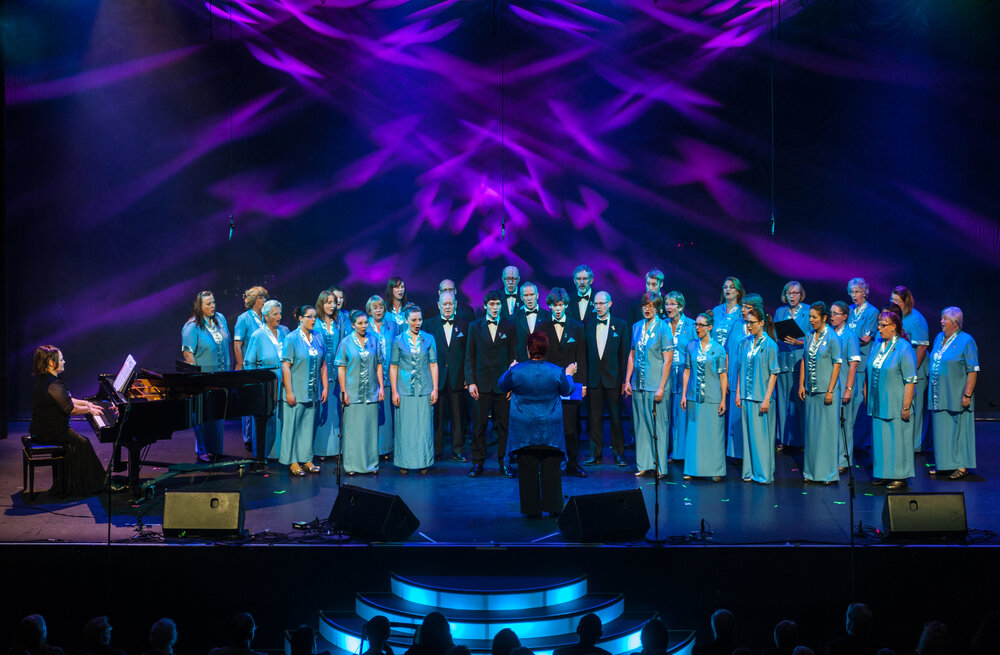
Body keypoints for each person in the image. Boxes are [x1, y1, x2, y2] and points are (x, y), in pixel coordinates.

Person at [499, 331, 575, 517]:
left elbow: (502, 385)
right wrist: (569, 374)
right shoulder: (556, 371)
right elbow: (568, 389)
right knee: (551, 469)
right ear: (546, 349)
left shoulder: (517, 371)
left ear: (528, 350)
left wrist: (509, 369)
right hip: (549, 429)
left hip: (524, 430)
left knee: (527, 470)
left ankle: (532, 509)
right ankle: (553, 506)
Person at [28, 346, 108, 497]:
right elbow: (70, 409)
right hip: (48, 432)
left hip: (45, 428)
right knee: (82, 443)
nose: (64, 362)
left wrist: (87, 404)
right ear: (52, 363)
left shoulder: (48, 380)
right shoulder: (53, 384)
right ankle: (91, 485)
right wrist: (90, 410)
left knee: (81, 442)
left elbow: (67, 400)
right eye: (61, 359)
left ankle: (79, 483)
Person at [864, 311, 917, 489]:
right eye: (878, 324)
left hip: (896, 404)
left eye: (882, 325)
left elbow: (910, 380)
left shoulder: (904, 347)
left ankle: (899, 476)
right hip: (879, 403)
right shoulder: (877, 344)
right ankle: (884, 474)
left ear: (893, 327)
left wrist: (906, 406)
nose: (878, 328)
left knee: (897, 441)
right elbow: (870, 370)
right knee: (881, 441)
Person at [466, 290, 516, 477]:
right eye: (492, 304)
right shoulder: (474, 326)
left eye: (498, 304)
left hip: (502, 385)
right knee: (479, 426)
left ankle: (505, 462)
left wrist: (511, 384)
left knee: (504, 425)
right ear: (485, 305)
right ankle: (478, 462)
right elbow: (469, 357)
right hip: (481, 384)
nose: (495, 308)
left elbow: (513, 358)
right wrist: (471, 382)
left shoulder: (509, 327)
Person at [539, 287, 587, 477]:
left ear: (566, 305)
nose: (558, 309)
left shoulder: (577, 327)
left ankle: (572, 463)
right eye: (554, 305)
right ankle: (551, 463)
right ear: (549, 306)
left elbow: (581, 357)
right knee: (550, 426)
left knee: (570, 428)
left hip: (571, 384)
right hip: (549, 386)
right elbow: (540, 357)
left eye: (561, 305)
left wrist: (582, 384)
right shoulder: (542, 327)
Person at [625, 292, 674, 479]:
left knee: (658, 426)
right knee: (641, 426)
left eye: (652, 305)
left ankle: (661, 466)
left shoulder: (664, 328)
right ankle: (645, 463)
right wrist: (627, 379)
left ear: (658, 308)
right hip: (639, 384)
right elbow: (632, 355)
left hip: (656, 385)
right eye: (645, 305)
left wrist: (661, 387)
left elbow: (667, 361)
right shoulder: (636, 327)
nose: (648, 308)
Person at [928, 307, 979, 479]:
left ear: (955, 324)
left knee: (959, 430)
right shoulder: (939, 338)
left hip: (956, 393)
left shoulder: (966, 341)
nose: (941, 322)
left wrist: (967, 394)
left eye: (945, 319)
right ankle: (945, 464)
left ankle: (961, 466)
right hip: (939, 393)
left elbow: (973, 370)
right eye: (941, 318)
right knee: (942, 430)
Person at [181, 290, 232, 462]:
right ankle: (201, 449)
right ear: (199, 306)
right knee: (202, 415)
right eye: (208, 304)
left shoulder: (220, 319)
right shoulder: (192, 326)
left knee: (217, 414)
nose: (212, 306)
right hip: (204, 379)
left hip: (221, 376)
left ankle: (215, 448)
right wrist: (198, 377)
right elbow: (188, 354)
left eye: (213, 302)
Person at [280, 305, 328, 477]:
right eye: (309, 316)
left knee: (308, 427)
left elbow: (323, 364)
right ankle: (293, 461)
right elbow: (285, 367)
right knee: (293, 427)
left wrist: (325, 387)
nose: (313, 320)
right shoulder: (291, 338)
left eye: (314, 317)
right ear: (300, 318)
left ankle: (306, 458)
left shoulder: (318, 337)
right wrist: (289, 392)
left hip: (312, 390)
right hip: (296, 391)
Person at [391, 305, 439, 474]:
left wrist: (435, 389)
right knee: (406, 428)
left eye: (419, 319)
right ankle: (404, 462)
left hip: (424, 388)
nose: (417, 323)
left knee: (423, 428)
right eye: (413, 320)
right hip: (405, 390)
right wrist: (394, 391)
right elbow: (394, 367)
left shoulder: (429, 338)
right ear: (406, 320)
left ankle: (423, 461)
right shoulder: (398, 340)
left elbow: (433, 365)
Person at [798, 302, 843, 484]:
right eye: (809, 317)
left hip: (827, 392)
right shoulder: (809, 336)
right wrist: (801, 384)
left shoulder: (832, 337)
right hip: (811, 391)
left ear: (824, 318)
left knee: (827, 434)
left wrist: (831, 390)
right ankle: (810, 473)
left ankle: (828, 474)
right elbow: (804, 360)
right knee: (812, 433)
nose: (811, 320)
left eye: (814, 317)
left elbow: (837, 365)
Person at [336, 310, 385, 475]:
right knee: (353, 430)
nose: (364, 326)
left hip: (371, 391)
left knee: (370, 430)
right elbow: (341, 368)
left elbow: (379, 364)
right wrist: (344, 391)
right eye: (360, 323)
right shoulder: (346, 342)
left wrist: (381, 387)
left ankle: (372, 464)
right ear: (352, 325)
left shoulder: (374, 340)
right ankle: (352, 465)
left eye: (366, 323)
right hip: (353, 391)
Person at [583, 291, 629, 466]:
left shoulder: (621, 325)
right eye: (596, 303)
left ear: (610, 304)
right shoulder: (588, 324)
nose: (599, 306)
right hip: (594, 379)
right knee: (594, 418)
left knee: (616, 417)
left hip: (613, 379)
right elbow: (585, 355)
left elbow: (624, 355)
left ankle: (619, 453)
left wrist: (625, 380)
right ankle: (595, 453)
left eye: (602, 303)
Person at [681, 313, 728, 481]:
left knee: (713, 434)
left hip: (713, 396)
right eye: (696, 325)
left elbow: (723, 375)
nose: (697, 328)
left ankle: (715, 470)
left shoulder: (719, 348)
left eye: (701, 325)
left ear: (709, 327)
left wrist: (723, 399)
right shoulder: (691, 346)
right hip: (694, 397)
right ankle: (693, 469)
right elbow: (687, 370)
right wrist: (684, 394)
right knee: (694, 434)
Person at [736, 307, 779, 484]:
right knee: (748, 437)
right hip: (747, 396)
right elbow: (740, 368)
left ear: (761, 323)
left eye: (752, 323)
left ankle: (763, 474)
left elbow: (773, 373)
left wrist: (767, 398)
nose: (748, 326)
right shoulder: (745, 343)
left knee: (762, 439)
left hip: (761, 398)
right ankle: (749, 472)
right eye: (747, 322)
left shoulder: (770, 345)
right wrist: (738, 392)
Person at [424, 291, 470, 461]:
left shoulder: (465, 325)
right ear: (439, 305)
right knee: (437, 417)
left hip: (457, 377)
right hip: (437, 379)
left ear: (456, 305)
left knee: (458, 417)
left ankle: (458, 449)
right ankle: (436, 449)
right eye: (445, 304)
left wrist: (467, 377)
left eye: (451, 304)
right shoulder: (428, 325)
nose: (448, 307)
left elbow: (467, 354)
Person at [242, 300, 288, 460]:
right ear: (266, 316)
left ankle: (282, 452)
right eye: (275, 314)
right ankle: (264, 453)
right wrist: (255, 386)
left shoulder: (285, 332)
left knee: (282, 419)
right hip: (266, 386)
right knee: (266, 421)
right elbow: (249, 362)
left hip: (284, 384)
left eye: (280, 313)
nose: (279, 317)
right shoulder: (258, 335)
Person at [724, 293, 763, 460]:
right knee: (735, 417)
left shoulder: (760, 328)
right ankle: (736, 454)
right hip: (735, 377)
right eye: (743, 306)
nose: (743, 309)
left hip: (753, 382)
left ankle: (750, 455)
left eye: (747, 307)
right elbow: (727, 350)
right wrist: (725, 375)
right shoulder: (736, 324)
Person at [891, 286, 930, 452]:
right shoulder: (897, 317)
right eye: (892, 300)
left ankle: (915, 445)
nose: (894, 304)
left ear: (906, 301)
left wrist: (913, 370)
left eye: (897, 301)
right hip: (901, 369)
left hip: (915, 369)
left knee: (915, 407)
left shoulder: (916, 319)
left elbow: (921, 347)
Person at [774, 281, 809, 450]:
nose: (792, 296)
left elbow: (813, 337)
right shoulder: (780, 312)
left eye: (795, 293)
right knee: (782, 401)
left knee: (799, 402)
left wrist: (798, 341)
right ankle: (783, 439)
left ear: (801, 294)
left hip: (799, 361)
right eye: (789, 293)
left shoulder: (808, 311)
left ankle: (801, 439)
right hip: (783, 359)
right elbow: (773, 333)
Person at [233, 286, 268, 453]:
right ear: (254, 300)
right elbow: (238, 345)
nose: (264, 301)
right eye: (261, 298)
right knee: (249, 405)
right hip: (249, 367)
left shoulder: (265, 318)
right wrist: (241, 367)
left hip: (264, 368)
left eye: (264, 298)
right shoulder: (244, 319)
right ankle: (248, 438)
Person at [829, 301, 861, 474]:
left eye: (835, 313)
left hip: (844, 387)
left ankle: (843, 459)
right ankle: (831, 456)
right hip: (831, 388)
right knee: (832, 424)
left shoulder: (850, 336)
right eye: (831, 313)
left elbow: (853, 365)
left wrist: (848, 389)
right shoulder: (829, 333)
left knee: (844, 425)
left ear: (845, 316)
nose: (832, 316)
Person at [664, 291, 697, 462]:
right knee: (667, 416)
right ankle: (669, 450)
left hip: (684, 377)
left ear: (681, 307)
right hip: (666, 376)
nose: (669, 307)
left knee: (682, 415)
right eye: (667, 304)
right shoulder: (662, 325)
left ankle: (681, 453)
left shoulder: (691, 326)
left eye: (672, 304)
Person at [847, 278, 878, 452]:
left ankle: (860, 441)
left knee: (859, 400)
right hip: (847, 360)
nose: (854, 295)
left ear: (865, 292)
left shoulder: (872, 312)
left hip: (861, 360)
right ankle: (848, 441)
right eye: (852, 291)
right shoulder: (849, 310)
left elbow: (865, 340)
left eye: (858, 291)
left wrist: (846, 340)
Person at [314, 290, 345, 461]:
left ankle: (335, 450)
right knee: (322, 411)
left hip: (336, 373)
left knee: (335, 412)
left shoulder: (337, 323)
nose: (331, 305)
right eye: (328, 302)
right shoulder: (316, 323)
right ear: (321, 304)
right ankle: (321, 450)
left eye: (333, 302)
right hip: (321, 374)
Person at [368, 295, 399, 459]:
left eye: (381, 307)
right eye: (375, 307)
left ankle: (386, 448)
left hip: (389, 377)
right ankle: (373, 448)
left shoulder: (393, 326)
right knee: (374, 414)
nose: (378, 310)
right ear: (370, 310)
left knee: (387, 414)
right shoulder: (365, 326)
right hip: (370, 376)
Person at [513, 281, 543, 361]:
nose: (529, 299)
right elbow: (513, 345)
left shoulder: (548, 316)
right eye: (526, 295)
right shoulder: (514, 318)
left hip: (543, 366)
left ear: (537, 295)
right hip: (522, 365)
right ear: (521, 298)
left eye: (532, 294)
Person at [710, 277, 744, 346]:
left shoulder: (742, 312)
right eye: (725, 287)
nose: (727, 289)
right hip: (714, 354)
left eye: (732, 287)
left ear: (738, 291)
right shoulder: (716, 311)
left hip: (733, 354)